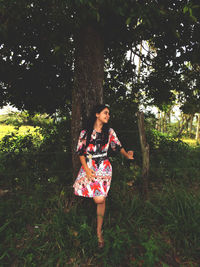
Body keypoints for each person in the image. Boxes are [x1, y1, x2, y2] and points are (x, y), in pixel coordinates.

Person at [73, 104, 134, 248]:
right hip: (89, 166)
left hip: (104, 167)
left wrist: (127, 155)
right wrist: (87, 169)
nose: (108, 115)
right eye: (105, 113)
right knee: (98, 199)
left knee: (100, 199)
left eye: (109, 113)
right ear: (97, 114)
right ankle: (99, 217)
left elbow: (118, 147)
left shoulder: (109, 131)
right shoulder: (85, 133)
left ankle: (99, 232)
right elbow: (80, 152)